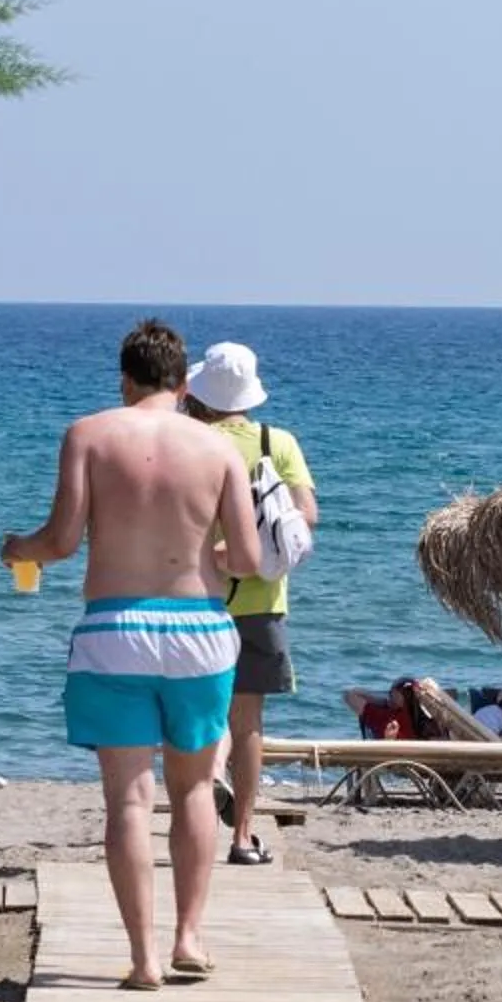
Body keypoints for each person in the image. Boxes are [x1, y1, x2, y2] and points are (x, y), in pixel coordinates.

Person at [3, 319, 263, 990]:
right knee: (196, 788)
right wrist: (205, 555)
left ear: (125, 380)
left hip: (113, 630)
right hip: (200, 630)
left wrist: (17, 548)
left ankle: (143, 960)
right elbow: (249, 558)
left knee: (127, 800)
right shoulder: (220, 450)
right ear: (183, 385)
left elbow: (60, 542)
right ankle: (189, 938)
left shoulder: (88, 435)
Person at [182, 341, 317, 867]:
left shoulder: (190, 441)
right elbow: (307, 514)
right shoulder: (275, 441)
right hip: (262, 598)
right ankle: (242, 837)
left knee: (201, 713)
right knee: (248, 720)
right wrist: (251, 547)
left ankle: (205, 790)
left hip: (198, 596)